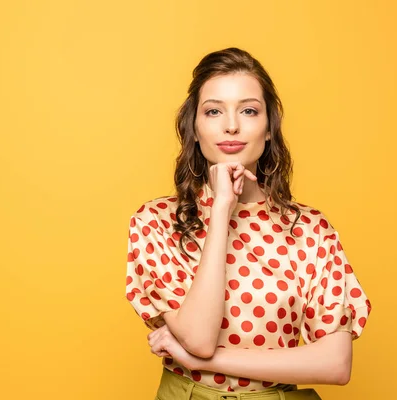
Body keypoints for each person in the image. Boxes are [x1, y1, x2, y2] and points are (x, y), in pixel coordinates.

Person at [125, 47, 372, 400]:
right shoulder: (156, 222)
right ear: (194, 128)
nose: (231, 125)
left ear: (269, 128)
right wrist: (222, 206)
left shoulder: (310, 229)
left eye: (249, 110)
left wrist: (207, 361)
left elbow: (335, 364)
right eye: (213, 111)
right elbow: (199, 337)